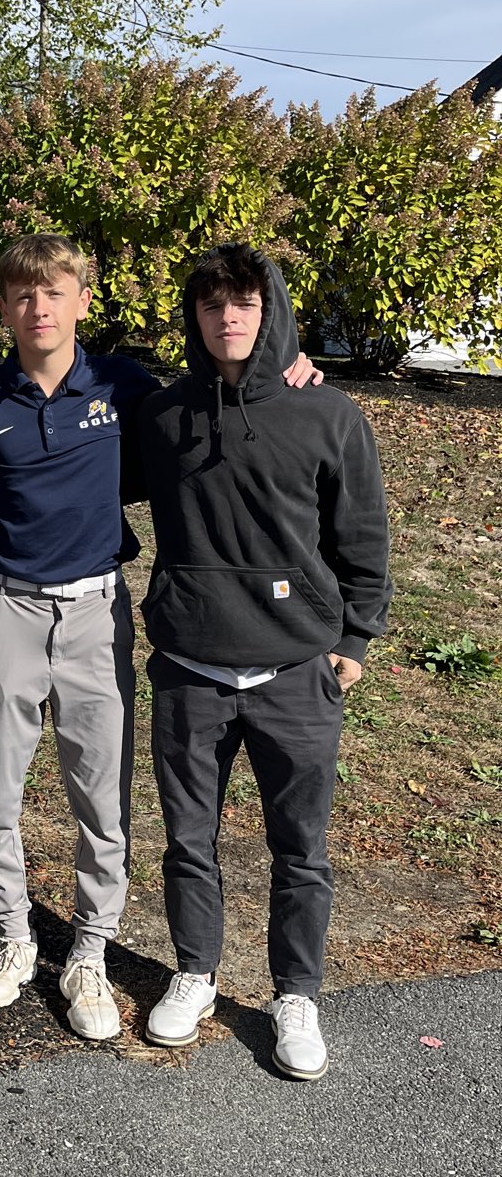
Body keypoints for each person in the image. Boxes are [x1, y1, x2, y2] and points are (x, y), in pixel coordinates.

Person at [0, 234, 323, 1045]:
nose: (39, 308)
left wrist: (289, 367)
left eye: (55, 292)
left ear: (83, 302)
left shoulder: (124, 387)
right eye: (22, 295)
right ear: (2, 308)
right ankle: (13, 936)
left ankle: (89, 951)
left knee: (101, 796)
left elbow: (214, 401)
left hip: (94, 611)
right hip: (8, 608)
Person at [136, 245, 390, 1080]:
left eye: (244, 303)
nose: (228, 319)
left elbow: (362, 538)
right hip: (191, 666)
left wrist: (353, 642)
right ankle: (195, 974)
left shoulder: (328, 414)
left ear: (269, 310)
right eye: (212, 305)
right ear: (194, 316)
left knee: (300, 847)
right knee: (188, 841)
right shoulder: (163, 416)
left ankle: (296, 995)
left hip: (296, 673)